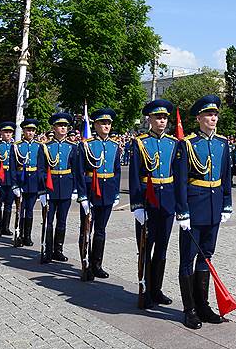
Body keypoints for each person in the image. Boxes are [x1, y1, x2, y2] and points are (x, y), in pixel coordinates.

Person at [174, 94, 233, 328]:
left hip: (213, 207)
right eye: (209, 114)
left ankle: (203, 305)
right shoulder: (187, 144)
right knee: (187, 259)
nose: (213, 118)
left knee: (206, 257)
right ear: (198, 118)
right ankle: (189, 309)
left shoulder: (222, 143)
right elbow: (179, 182)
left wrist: (226, 204)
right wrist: (182, 211)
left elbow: (226, 176)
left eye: (216, 114)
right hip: (194, 208)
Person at [129, 99, 178, 308]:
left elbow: (177, 175)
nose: (162, 121)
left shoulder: (173, 143)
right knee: (145, 247)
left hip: (167, 202)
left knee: (162, 248)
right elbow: (133, 176)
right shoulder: (140, 142)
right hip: (148, 202)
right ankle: (145, 288)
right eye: (158, 117)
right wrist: (137, 205)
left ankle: (157, 289)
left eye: (165, 117)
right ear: (149, 119)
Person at [78, 108, 121, 279]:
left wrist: (116, 193)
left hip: (107, 191)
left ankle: (97, 264)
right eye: (103, 123)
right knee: (86, 229)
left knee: (101, 230)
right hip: (90, 192)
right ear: (95, 125)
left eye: (108, 123)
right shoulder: (86, 145)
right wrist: (82, 196)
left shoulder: (114, 146)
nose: (106, 126)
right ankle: (85, 264)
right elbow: (79, 171)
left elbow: (117, 172)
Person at [39, 112, 85, 263]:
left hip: (66, 186)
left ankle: (58, 249)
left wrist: (75, 190)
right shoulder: (45, 147)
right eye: (60, 125)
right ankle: (47, 250)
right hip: (50, 188)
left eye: (65, 126)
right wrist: (42, 191)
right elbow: (41, 170)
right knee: (48, 220)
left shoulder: (73, 147)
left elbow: (77, 170)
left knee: (62, 220)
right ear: (53, 128)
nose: (63, 128)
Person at [10, 119, 44, 247]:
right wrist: (14, 184)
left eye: (32, 130)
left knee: (29, 209)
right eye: (28, 130)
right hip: (21, 180)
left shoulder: (39, 146)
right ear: (23, 131)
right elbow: (12, 167)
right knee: (20, 209)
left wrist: (42, 186)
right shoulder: (17, 146)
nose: (30, 132)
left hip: (34, 180)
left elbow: (41, 166)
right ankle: (18, 235)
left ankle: (27, 236)